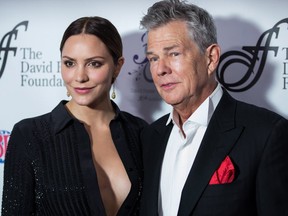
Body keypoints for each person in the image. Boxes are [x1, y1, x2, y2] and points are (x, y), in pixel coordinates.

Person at [139, 0, 288, 215]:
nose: (160, 69)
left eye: (174, 54)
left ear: (211, 58)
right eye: (153, 58)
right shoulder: (149, 136)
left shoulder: (266, 134)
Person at [1, 16, 148, 216]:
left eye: (94, 64)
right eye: (69, 63)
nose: (79, 77)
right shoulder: (30, 135)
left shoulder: (141, 132)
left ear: (118, 66)